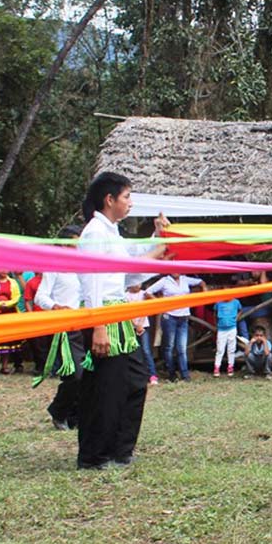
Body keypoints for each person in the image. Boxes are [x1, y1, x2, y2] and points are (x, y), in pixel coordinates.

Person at [75, 172, 168, 470]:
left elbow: (131, 271)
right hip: (103, 317)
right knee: (106, 389)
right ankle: (94, 456)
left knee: (136, 380)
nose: (130, 203)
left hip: (119, 316)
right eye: (127, 196)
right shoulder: (94, 234)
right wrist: (99, 326)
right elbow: (92, 281)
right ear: (109, 199)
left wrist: (158, 239)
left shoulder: (112, 233)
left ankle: (120, 450)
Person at [33, 227, 86, 430]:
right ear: (64, 244)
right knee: (75, 373)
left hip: (85, 324)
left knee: (88, 372)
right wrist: (56, 306)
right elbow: (40, 296)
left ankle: (75, 416)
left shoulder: (83, 267)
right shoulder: (54, 267)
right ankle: (58, 410)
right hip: (65, 327)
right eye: (75, 242)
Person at [145, 274, 205, 382]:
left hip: (183, 317)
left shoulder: (185, 279)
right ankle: (172, 373)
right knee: (169, 347)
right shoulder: (164, 281)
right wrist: (160, 303)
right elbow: (148, 292)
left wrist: (204, 289)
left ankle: (185, 375)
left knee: (181, 348)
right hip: (169, 317)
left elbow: (200, 281)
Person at [124, 282, 159, 385]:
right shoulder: (124, 295)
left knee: (146, 350)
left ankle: (152, 375)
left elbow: (149, 307)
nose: (138, 284)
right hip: (130, 326)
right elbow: (126, 312)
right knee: (133, 350)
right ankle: (137, 374)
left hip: (143, 326)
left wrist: (140, 324)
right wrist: (135, 324)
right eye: (135, 282)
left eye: (139, 282)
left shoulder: (144, 294)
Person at [212, 292, 243, 378]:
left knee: (231, 349)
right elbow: (214, 313)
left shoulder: (236, 302)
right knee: (220, 349)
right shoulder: (218, 302)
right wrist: (215, 324)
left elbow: (240, 310)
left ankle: (230, 367)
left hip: (232, 328)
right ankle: (217, 367)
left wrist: (236, 319)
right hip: (221, 329)